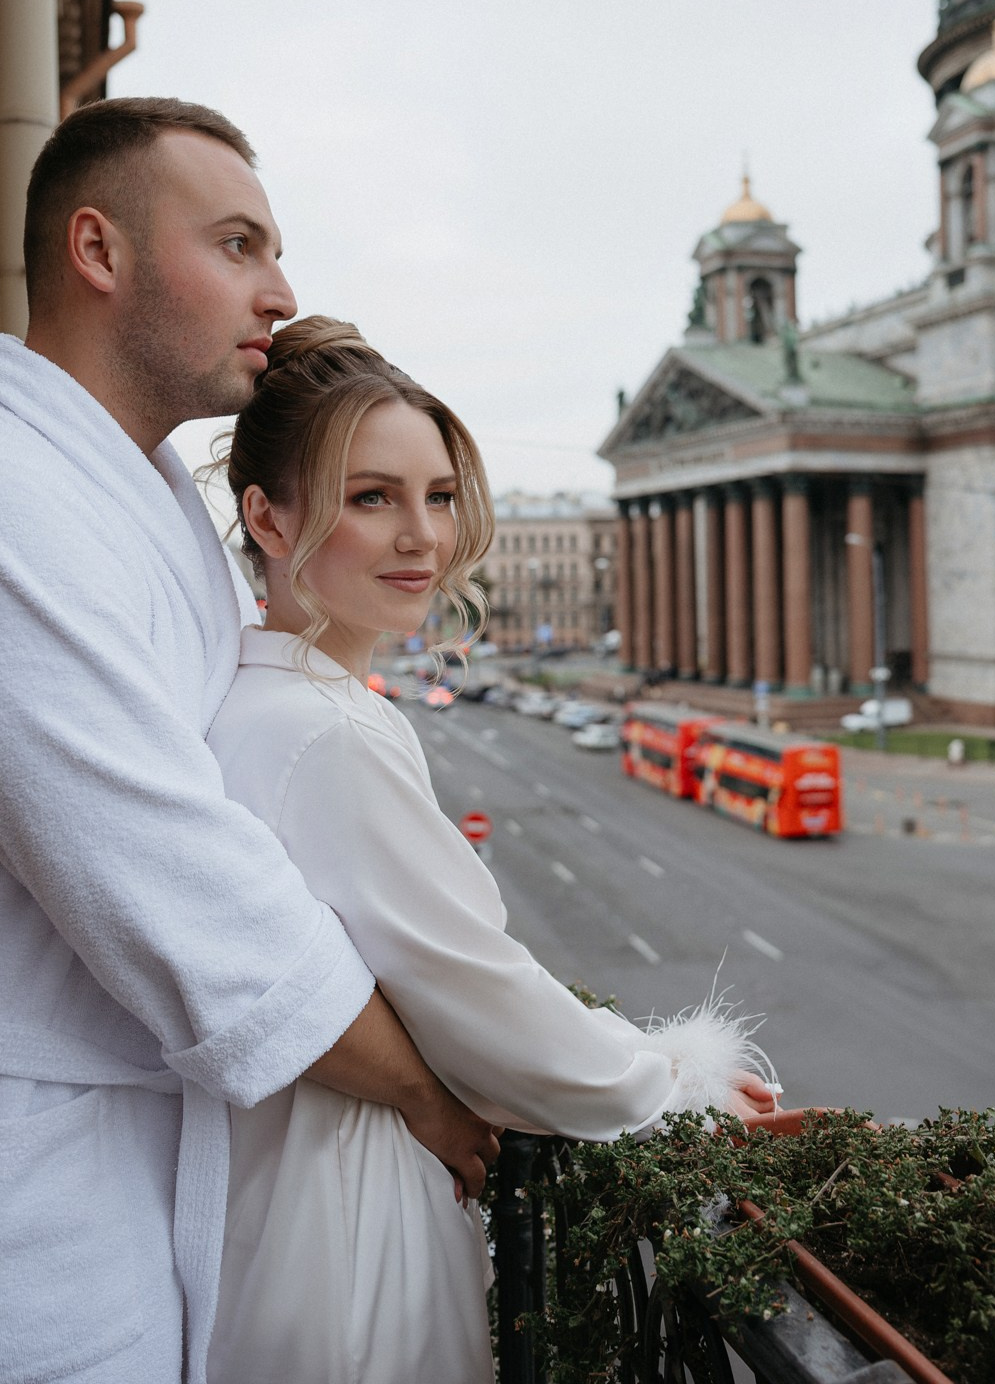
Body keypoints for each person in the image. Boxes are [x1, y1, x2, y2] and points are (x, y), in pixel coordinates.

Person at [0, 100, 502, 1383]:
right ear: (98, 252)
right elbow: (172, 876)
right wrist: (430, 1092)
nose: (278, 291)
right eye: (236, 245)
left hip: (114, 1173)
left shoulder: (135, 505)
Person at [207, 320, 774, 1382]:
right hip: (349, 1214)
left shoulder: (258, 699)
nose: (421, 535)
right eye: (371, 497)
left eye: (437, 494)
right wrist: (672, 1078)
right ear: (268, 517)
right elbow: (475, 996)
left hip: (268, 1186)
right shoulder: (327, 731)